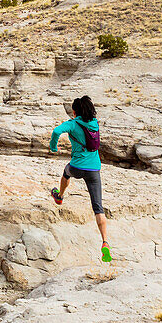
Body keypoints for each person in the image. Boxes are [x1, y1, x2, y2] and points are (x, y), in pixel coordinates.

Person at [49, 95, 110, 262]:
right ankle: (105, 242)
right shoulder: (95, 123)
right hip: (94, 170)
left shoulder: (73, 124)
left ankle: (59, 196)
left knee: (66, 172)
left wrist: (53, 146)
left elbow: (56, 131)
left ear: (75, 111)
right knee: (98, 208)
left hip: (77, 167)